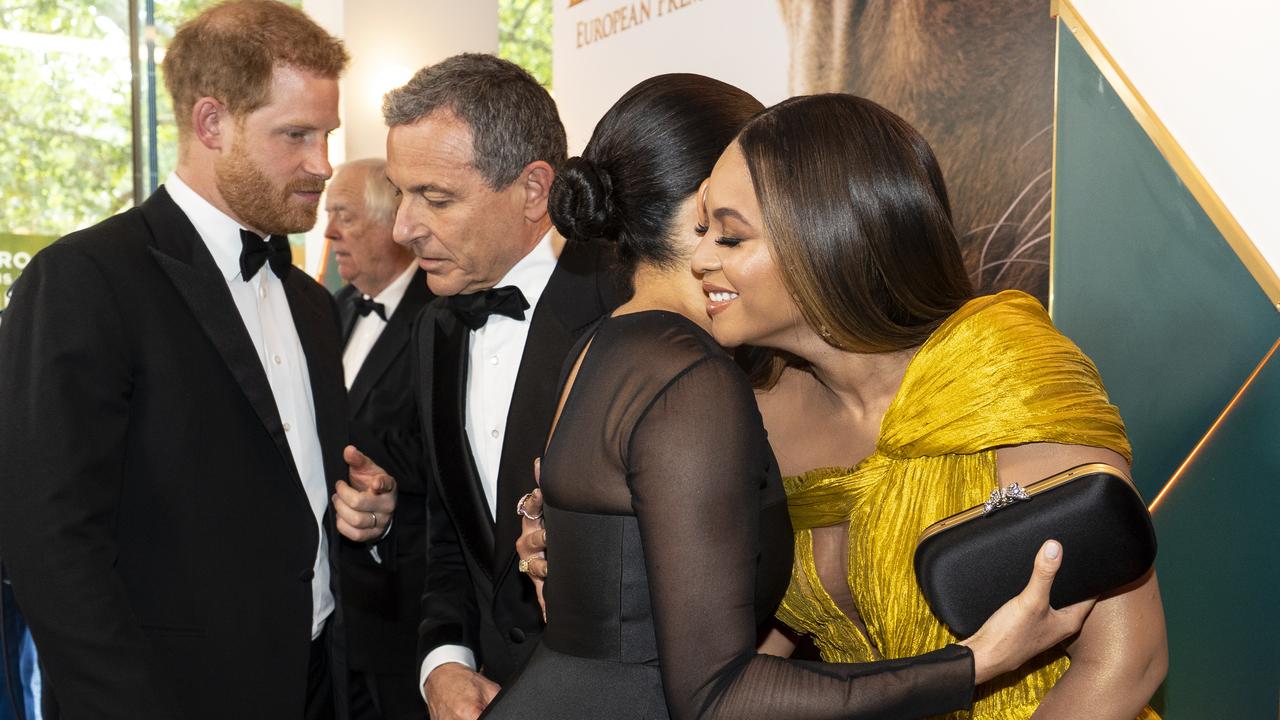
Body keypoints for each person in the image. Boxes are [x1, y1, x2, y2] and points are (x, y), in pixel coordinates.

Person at [491, 74, 1094, 720]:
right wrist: (975, 663)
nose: (710, 261)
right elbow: (715, 685)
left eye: (736, 231)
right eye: (714, 225)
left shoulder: (628, 356)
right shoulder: (698, 382)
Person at [690, 93, 1168, 718]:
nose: (701, 260)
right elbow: (759, 646)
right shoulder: (758, 411)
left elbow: (1129, 661)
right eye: (703, 233)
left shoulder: (1000, 371)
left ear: (825, 236)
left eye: (729, 236)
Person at [0, 3, 391, 718]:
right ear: (212, 124)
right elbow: (49, 541)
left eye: (327, 135)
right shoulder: (86, 279)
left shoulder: (308, 301)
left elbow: (285, 488)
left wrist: (366, 509)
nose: (322, 164)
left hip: (320, 683)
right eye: (295, 135)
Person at [366, 53, 622, 720]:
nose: (403, 226)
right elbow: (449, 534)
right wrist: (444, 662)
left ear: (535, 190)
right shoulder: (435, 329)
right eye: (401, 191)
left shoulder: (627, 312)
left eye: (435, 197)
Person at [326, 159, 434, 720]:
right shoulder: (331, 309)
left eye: (343, 216)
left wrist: (331, 438)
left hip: (404, 606)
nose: (328, 233)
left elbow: (444, 452)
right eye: (328, 216)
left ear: (392, 220)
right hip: (334, 608)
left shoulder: (443, 315)